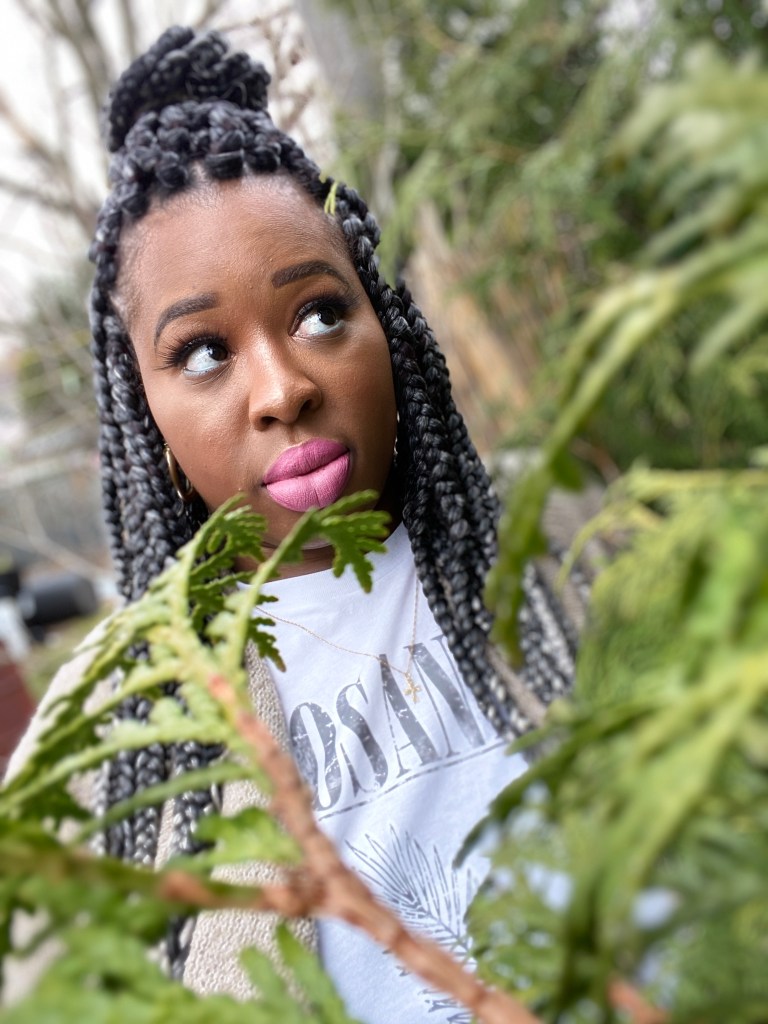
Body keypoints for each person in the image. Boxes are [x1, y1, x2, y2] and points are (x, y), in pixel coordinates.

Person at [10, 25, 577, 1022]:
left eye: (319, 313)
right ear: (143, 412)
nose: (283, 389)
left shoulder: (561, 575)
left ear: (387, 324)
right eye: (202, 352)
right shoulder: (111, 727)